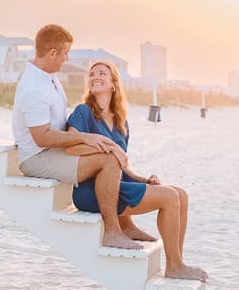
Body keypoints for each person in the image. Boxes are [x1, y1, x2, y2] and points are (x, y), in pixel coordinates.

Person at [65, 60, 206, 282]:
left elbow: (121, 165)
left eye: (102, 73)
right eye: (91, 74)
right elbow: (70, 146)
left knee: (181, 194)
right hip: (90, 191)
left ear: (113, 84)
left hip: (114, 186)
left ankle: (178, 261)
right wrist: (105, 145)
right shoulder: (83, 112)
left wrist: (142, 179)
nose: (95, 77)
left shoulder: (121, 122)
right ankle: (174, 266)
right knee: (169, 198)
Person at [14, 24, 146, 252]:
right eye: (65, 53)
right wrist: (85, 138)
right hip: (37, 157)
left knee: (106, 150)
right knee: (107, 160)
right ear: (53, 53)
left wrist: (90, 141)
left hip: (54, 149)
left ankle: (126, 224)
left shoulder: (49, 77)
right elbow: (41, 138)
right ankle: (112, 232)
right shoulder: (33, 87)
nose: (67, 58)